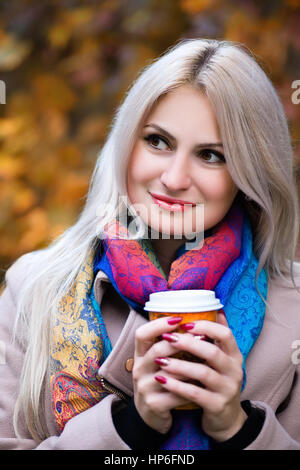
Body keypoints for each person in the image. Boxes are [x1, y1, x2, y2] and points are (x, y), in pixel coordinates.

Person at [0, 38, 300, 451]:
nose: (175, 178)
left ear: (249, 174)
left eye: (211, 155)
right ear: (125, 144)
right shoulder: (32, 289)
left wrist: (238, 428)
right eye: (158, 141)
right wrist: (127, 429)